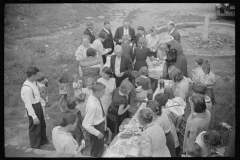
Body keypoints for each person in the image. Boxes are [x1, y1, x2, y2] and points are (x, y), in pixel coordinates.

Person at [21, 66, 49, 149]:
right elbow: (28, 104)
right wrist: (34, 117)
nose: (37, 77)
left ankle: (43, 141)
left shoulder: (33, 83)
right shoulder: (26, 88)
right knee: (35, 127)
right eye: (36, 75)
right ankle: (35, 146)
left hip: (38, 105)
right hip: (33, 107)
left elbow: (36, 94)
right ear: (32, 76)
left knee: (42, 124)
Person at [82, 82, 106, 157]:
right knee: (96, 151)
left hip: (100, 125)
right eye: (103, 92)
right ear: (97, 92)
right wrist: (97, 133)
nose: (104, 94)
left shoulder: (95, 97)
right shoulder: (92, 106)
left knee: (100, 148)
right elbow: (85, 124)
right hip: (96, 128)